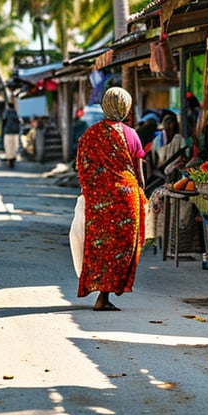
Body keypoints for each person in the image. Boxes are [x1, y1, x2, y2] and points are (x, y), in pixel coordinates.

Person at [75, 86, 147, 311]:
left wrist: (91, 190)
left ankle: (101, 294)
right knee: (121, 249)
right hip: (127, 199)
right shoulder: (131, 134)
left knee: (99, 246)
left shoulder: (90, 134)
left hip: (99, 200)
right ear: (126, 107)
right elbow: (139, 172)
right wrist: (141, 191)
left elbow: (81, 166)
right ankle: (105, 296)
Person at [1, 103, 21, 169]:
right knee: (14, 146)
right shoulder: (16, 114)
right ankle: (13, 159)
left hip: (8, 132)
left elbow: (3, 121)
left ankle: (10, 160)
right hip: (15, 132)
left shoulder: (6, 113)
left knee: (8, 147)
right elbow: (19, 122)